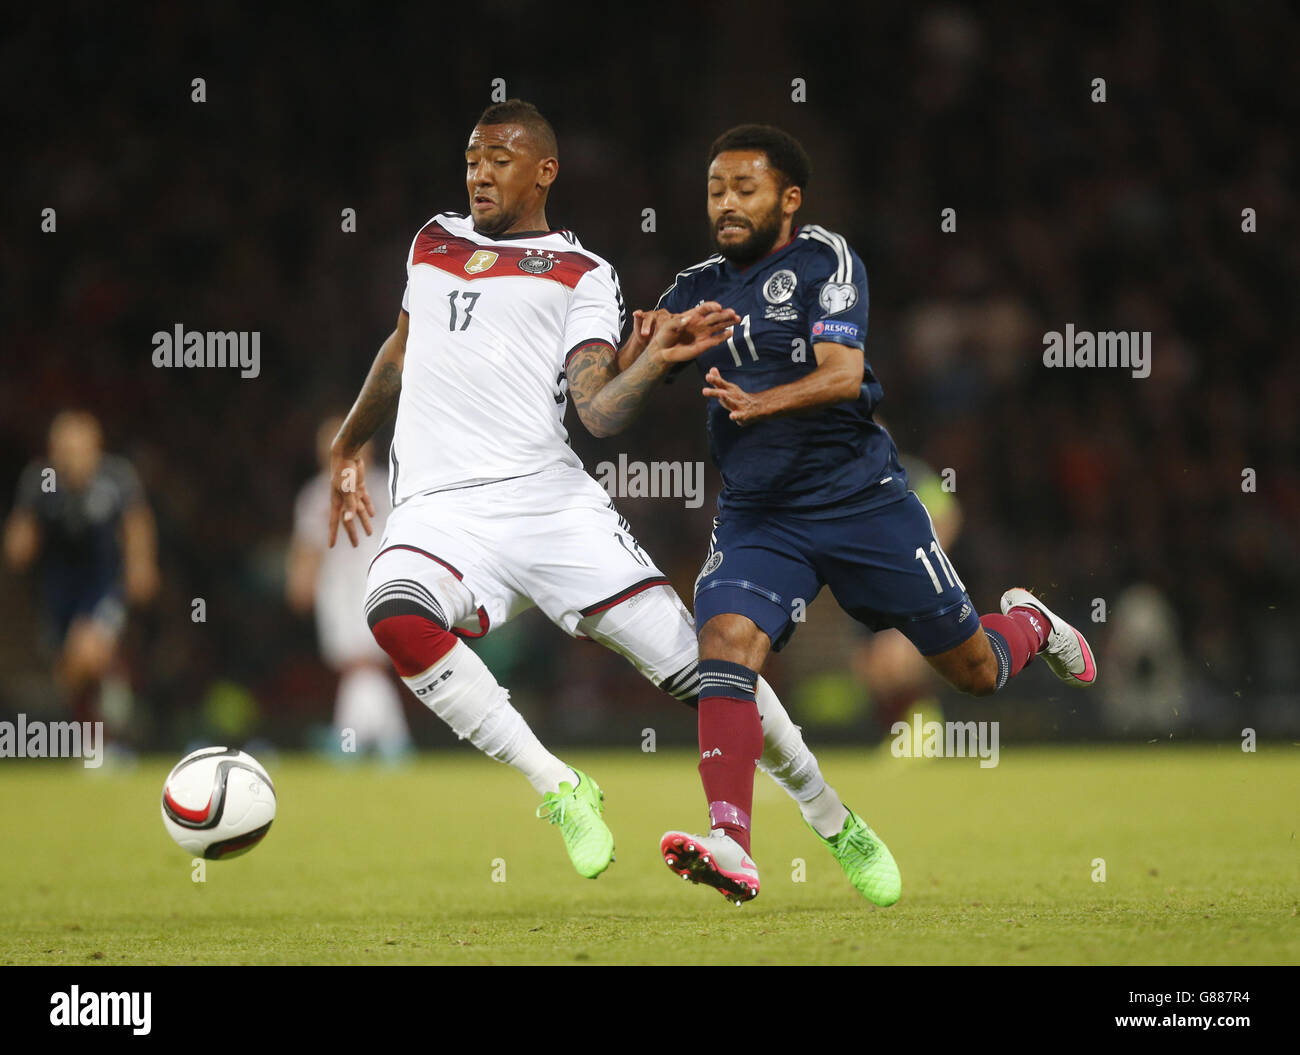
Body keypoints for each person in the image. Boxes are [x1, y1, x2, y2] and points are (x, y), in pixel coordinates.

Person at [329, 101, 879, 900]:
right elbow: (404, 346)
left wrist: (653, 361)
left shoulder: (581, 275)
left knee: (708, 671)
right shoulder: (433, 240)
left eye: (501, 157)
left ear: (545, 170)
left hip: (549, 507)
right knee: (394, 612)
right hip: (439, 509)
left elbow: (597, 411)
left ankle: (833, 818)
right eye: (473, 157)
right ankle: (559, 786)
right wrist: (351, 444)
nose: (480, 171)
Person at [616, 124, 1097, 905]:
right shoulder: (693, 286)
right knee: (726, 645)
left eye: (745, 189)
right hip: (759, 514)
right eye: (715, 191)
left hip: (861, 502)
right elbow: (621, 395)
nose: (727, 204)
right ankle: (730, 842)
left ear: (789, 198)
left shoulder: (827, 262)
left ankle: (1032, 626)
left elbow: (841, 374)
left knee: (973, 670)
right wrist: (652, 353)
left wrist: (759, 402)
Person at [4, 410, 159, 728]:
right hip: (58, 589)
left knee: (87, 649)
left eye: (78, 450)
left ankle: (116, 711)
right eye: (64, 451)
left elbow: (136, 522)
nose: (71, 459)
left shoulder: (116, 477)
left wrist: (141, 565)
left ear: (95, 449)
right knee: (69, 673)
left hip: (103, 583)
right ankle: (93, 733)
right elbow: (23, 528)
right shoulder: (42, 481)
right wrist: (19, 544)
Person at [287, 416, 411, 760]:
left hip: (378, 583)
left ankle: (357, 743)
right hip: (338, 590)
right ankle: (382, 742)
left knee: (364, 663)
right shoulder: (315, 496)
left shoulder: (390, 488)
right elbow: (308, 548)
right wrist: (302, 581)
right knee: (359, 666)